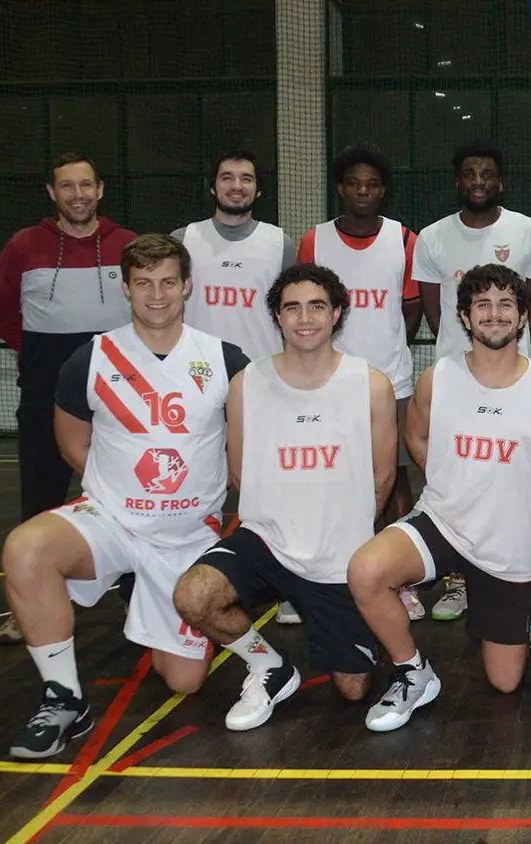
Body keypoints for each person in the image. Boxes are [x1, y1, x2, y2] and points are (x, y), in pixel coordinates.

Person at [1, 234, 248, 758]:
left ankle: (146, 595)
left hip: (184, 537)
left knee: (184, 682)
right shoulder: (91, 357)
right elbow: (71, 440)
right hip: (110, 521)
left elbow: (242, 447)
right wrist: (129, 495)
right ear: (127, 288)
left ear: (187, 286)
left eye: (167, 282)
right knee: (26, 548)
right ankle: (64, 699)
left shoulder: (224, 360)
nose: (156, 295)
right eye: (143, 283)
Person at [347, 264, 531, 731]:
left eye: (505, 304)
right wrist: (463, 481)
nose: (494, 314)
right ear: (465, 318)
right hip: (442, 521)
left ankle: (510, 611)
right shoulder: (437, 378)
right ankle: (413, 672)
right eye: (482, 305)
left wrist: (510, 491)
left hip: (509, 543)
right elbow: (417, 439)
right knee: (365, 571)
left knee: (506, 682)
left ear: (522, 316)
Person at [172, 264, 396, 731]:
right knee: (194, 596)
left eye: (317, 306)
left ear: (337, 313)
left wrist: (347, 539)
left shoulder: (370, 384)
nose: (304, 318)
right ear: (277, 316)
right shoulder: (247, 384)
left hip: (339, 555)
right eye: (291, 307)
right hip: (266, 542)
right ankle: (269, 665)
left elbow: (383, 475)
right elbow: (239, 470)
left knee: (354, 688)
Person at [0, 152, 138, 645]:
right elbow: (5, 317)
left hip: (114, 405)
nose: (78, 195)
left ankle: (137, 600)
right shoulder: (23, 246)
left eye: (86, 186)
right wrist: (43, 360)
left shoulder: (127, 245)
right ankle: (26, 609)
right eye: (67, 187)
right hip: (43, 398)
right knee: (40, 500)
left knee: (126, 499)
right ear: (52, 193)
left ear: (101, 190)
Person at [413, 143, 531, 624]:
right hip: (461, 374)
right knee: (466, 476)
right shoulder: (432, 237)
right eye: (470, 173)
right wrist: (460, 346)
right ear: (458, 181)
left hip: (513, 371)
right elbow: (434, 309)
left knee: (521, 471)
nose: (479, 180)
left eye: (488, 173)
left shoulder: (528, 230)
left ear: (501, 181)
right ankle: (459, 576)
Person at [297, 144, 424, 623]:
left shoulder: (403, 239)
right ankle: (318, 574)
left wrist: (382, 359)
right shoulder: (315, 241)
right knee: (327, 477)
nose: (363, 191)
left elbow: (410, 309)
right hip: (327, 384)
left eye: (372, 183)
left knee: (394, 478)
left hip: (390, 381)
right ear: (340, 188)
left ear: (383, 189)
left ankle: (401, 580)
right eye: (354, 183)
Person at [174, 149, 297, 362]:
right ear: (213, 187)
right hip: (195, 370)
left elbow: (293, 312)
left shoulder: (280, 243)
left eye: (246, 179)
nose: (237, 186)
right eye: (227, 178)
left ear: (258, 190)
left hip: (261, 371)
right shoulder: (182, 240)